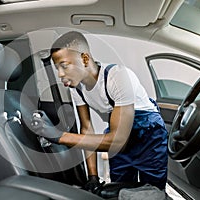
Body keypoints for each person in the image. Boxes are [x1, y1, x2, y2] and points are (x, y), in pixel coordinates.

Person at [31, 31, 168, 192]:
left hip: (148, 133)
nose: (60, 74)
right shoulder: (77, 88)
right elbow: (87, 129)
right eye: (57, 69)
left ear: (85, 59)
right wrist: (93, 177)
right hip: (118, 128)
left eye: (64, 66)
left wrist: (58, 136)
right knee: (119, 189)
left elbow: (118, 141)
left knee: (152, 192)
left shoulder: (118, 76)